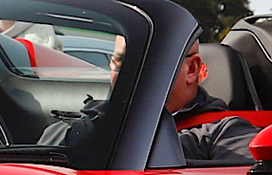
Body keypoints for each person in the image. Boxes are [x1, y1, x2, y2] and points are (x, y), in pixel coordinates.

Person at [40, 40, 256, 163]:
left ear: (191, 70)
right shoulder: (90, 120)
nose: (129, 72)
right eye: (121, 60)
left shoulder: (224, 132)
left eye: (148, 60)